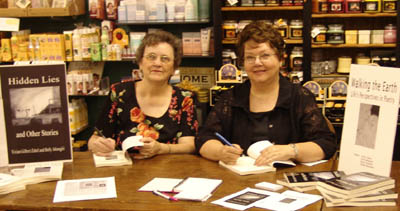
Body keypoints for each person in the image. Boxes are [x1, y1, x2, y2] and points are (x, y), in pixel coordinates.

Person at [196, 20, 337, 166]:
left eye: (265, 56)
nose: (257, 63)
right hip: (240, 180)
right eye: (250, 57)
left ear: (280, 59)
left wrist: (291, 150)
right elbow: (203, 139)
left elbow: (326, 144)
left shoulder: (300, 96)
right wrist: (221, 152)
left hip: (286, 181)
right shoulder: (230, 98)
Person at [88, 30, 199, 159]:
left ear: (174, 68)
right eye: (151, 57)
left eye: (165, 59)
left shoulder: (185, 98)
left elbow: (190, 145)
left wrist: (162, 149)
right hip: (124, 171)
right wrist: (99, 145)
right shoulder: (119, 93)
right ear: (140, 62)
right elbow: (94, 139)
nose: (157, 63)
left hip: (169, 172)